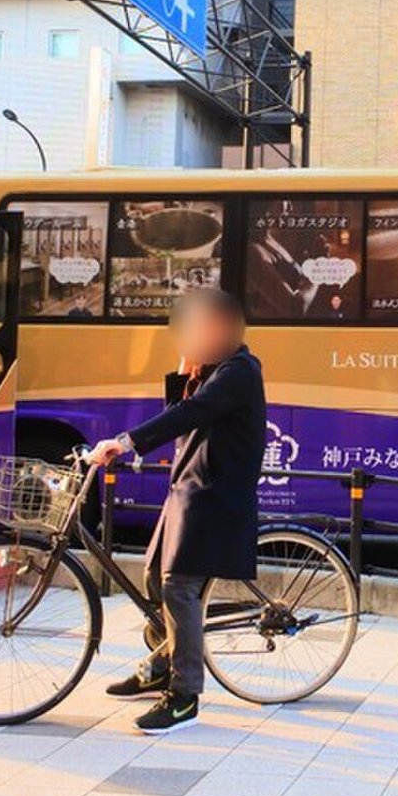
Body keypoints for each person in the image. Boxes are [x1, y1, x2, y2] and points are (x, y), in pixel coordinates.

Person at [88, 288, 264, 734]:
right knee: (152, 576)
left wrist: (124, 443)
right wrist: (185, 369)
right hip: (188, 492)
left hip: (214, 498)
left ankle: (185, 697)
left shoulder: (239, 372)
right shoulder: (212, 369)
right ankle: (165, 663)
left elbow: (189, 414)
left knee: (179, 587)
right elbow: (182, 410)